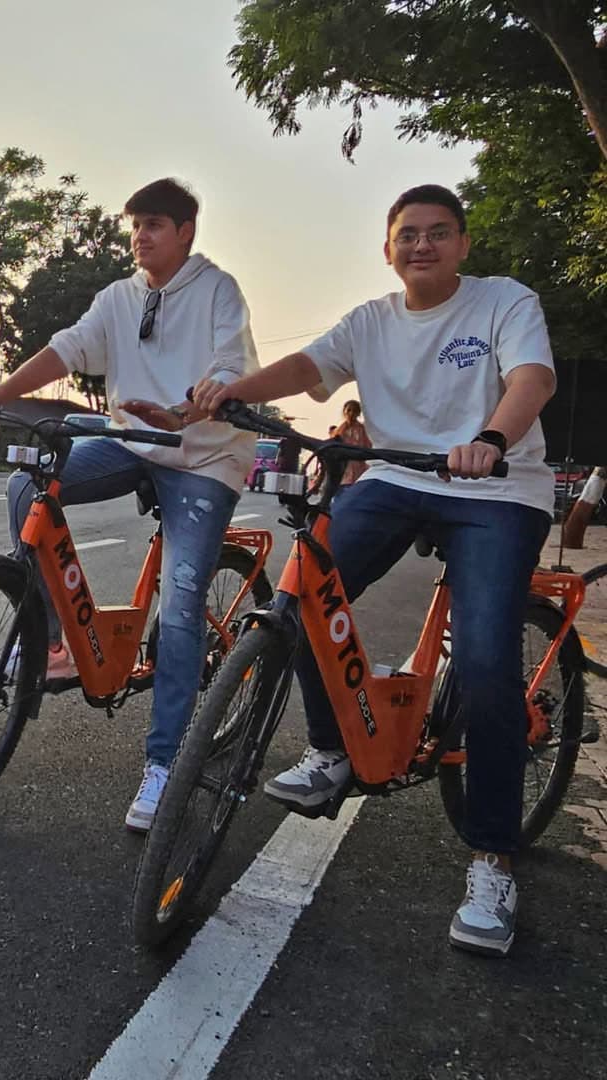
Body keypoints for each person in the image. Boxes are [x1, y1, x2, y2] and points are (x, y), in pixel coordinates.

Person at [138, 184, 556, 957]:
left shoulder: (504, 300)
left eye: (438, 233)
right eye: (408, 235)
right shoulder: (371, 320)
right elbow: (306, 364)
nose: (422, 245)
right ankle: (331, 751)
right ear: (388, 249)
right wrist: (227, 393)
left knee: (487, 663)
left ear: (463, 245)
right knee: (301, 593)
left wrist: (493, 439)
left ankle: (493, 860)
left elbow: (533, 378)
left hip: (495, 488)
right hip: (395, 478)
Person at [0, 178, 260, 832]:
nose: (140, 235)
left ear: (185, 232)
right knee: (27, 483)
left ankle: (165, 762)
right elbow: (65, 349)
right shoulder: (120, 296)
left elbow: (231, 367)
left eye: (154, 224)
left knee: (182, 604)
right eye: (136, 224)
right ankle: (55, 643)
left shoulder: (217, 290)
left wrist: (189, 407)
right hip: (132, 442)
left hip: (204, 456)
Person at [333, 399, 371, 494]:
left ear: (358, 413)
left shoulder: (363, 429)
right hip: (342, 472)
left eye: (355, 411)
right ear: (344, 412)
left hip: (358, 470)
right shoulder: (338, 431)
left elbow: (368, 447)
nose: (351, 413)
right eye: (349, 410)